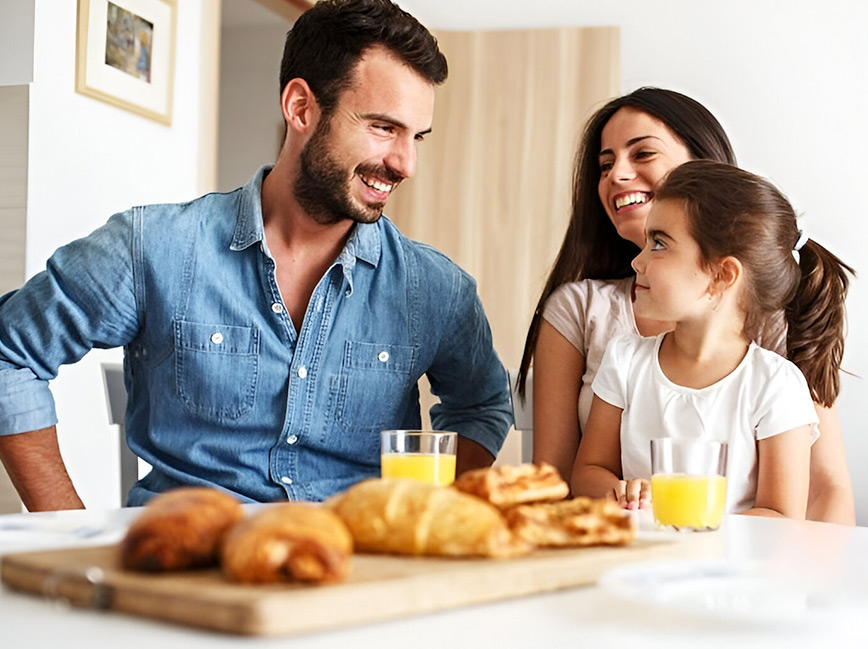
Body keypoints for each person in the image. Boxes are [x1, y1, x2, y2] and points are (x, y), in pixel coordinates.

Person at [0, 0, 512, 510]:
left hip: (353, 571)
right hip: (189, 567)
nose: (405, 163)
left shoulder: (437, 289)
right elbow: (10, 354)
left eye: (416, 136)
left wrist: (429, 520)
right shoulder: (153, 247)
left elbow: (482, 403)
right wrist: (69, 531)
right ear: (301, 108)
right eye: (383, 127)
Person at [517, 87, 857, 524]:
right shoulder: (602, 333)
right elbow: (568, 479)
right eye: (604, 164)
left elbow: (813, 498)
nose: (616, 175)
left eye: (642, 154)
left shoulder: (775, 365)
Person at [570, 160, 854, 518]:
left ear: (722, 274)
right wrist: (620, 491)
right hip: (640, 566)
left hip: (732, 571)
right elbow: (588, 473)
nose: (637, 262)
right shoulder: (625, 360)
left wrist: (693, 522)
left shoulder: (775, 385)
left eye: (658, 244)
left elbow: (780, 516)